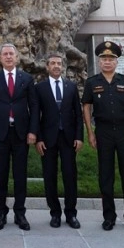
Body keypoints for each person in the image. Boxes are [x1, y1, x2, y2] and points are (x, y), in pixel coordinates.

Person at [82, 41, 124, 232]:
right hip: (103, 132)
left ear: (116, 62)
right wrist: (90, 132)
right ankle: (109, 217)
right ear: (99, 62)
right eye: (104, 59)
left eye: (111, 59)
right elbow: (86, 106)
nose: (107, 62)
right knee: (106, 176)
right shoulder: (92, 82)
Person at [0, 43, 38, 231]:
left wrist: (33, 131)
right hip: (0, 134)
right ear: (0, 58)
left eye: (11, 54)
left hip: (21, 134)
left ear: (17, 57)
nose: (8, 57)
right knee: (1, 175)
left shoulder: (27, 78)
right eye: (5, 54)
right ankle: (1, 213)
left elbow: (34, 106)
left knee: (20, 175)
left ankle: (20, 213)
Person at [32, 53, 83, 229]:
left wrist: (79, 136)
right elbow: (35, 115)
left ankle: (71, 214)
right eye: (52, 63)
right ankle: (55, 213)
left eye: (59, 63)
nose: (56, 66)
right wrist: (38, 138)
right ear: (47, 67)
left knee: (70, 176)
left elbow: (78, 113)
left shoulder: (71, 86)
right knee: (50, 176)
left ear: (63, 67)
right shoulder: (40, 88)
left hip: (68, 138)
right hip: (47, 139)